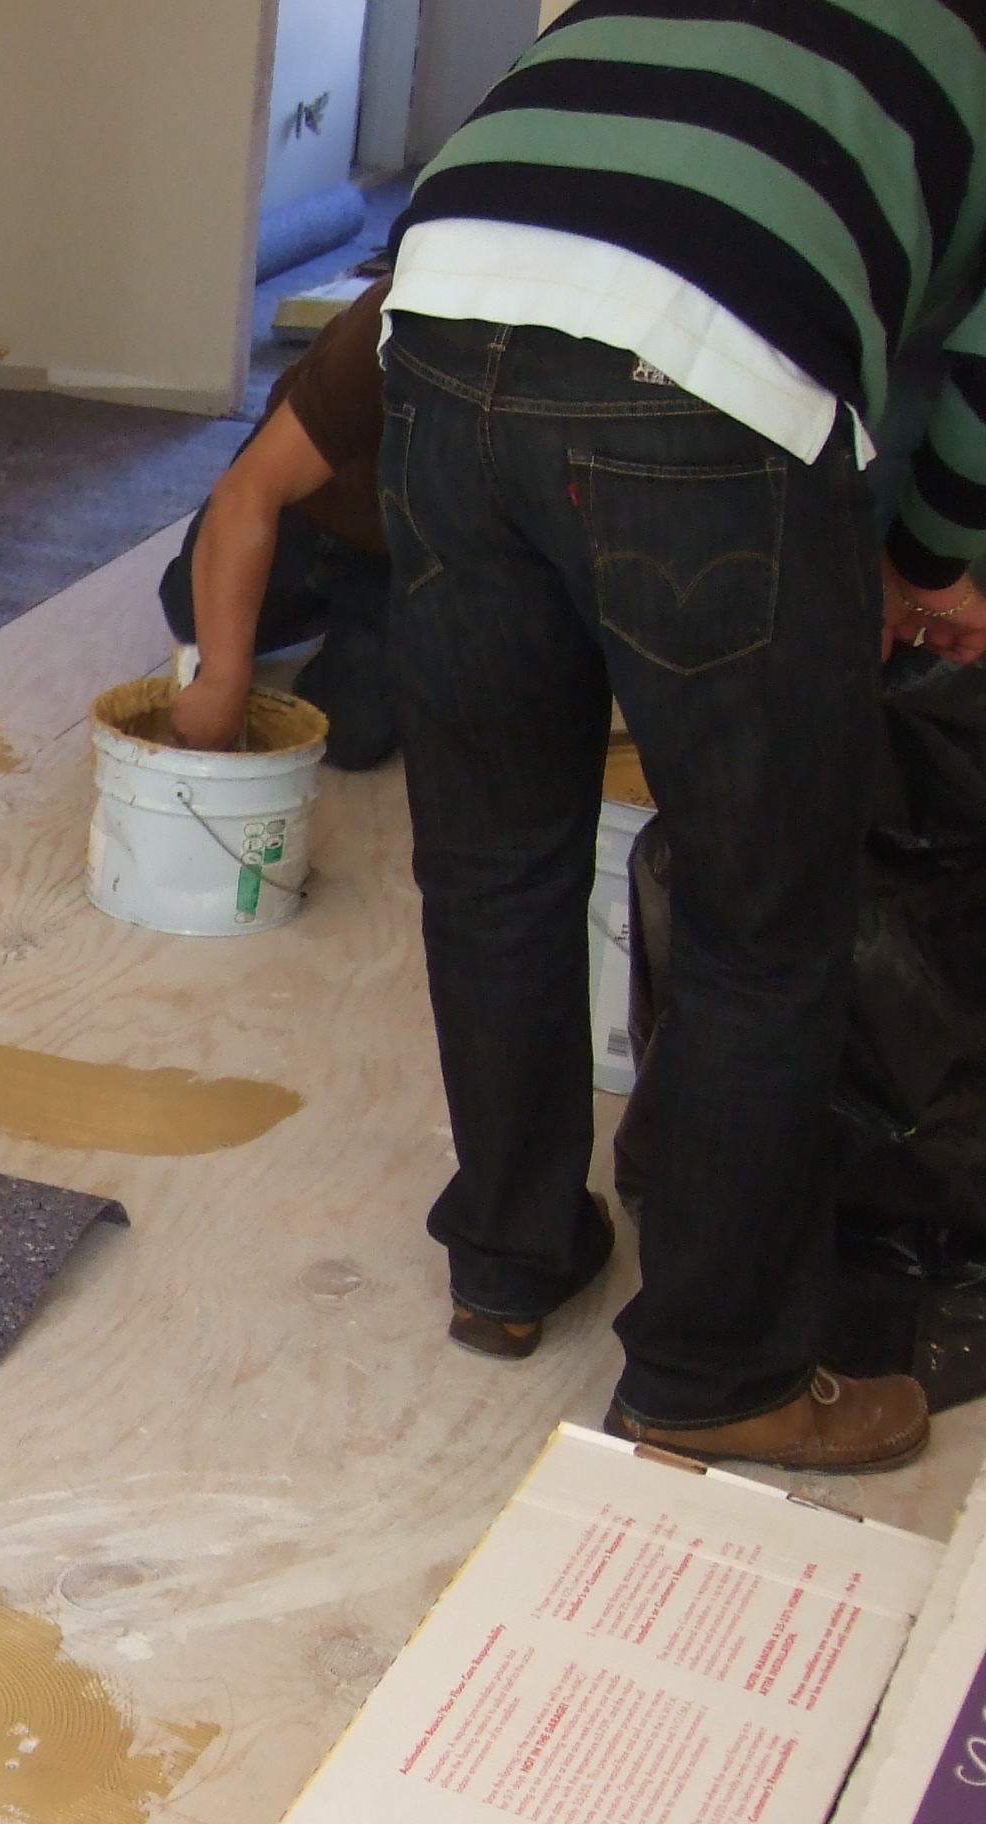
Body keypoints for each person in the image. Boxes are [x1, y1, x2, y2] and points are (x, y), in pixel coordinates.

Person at [377, 0, 986, 1473]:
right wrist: (931, 557)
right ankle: (719, 1374)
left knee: (493, 857)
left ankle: (509, 1254)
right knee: (761, 918)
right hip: (697, 376)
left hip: (440, 313)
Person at [163, 278, 401, 767]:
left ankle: (345, 610)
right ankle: (314, 594)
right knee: (192, 607)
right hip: (308, 505)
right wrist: (222, 683)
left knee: (353, 730)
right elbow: (249, 492)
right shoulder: (388, 322)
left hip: (400, 553)